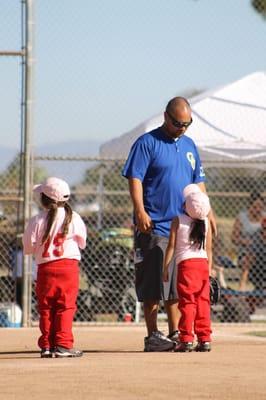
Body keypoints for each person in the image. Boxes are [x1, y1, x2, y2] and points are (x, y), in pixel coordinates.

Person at [122, 96, 216, 352]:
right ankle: (153, 335)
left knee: (178, 284)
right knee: (153, 281)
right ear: (165, 116)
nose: (182, 128)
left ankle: (176, 333)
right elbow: (135, 178)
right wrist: (140, 210)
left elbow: (198, 182)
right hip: (155, 223)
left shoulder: (189, 145)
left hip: (185, 226)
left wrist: (209, 212)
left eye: (187, 123)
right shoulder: (147, 143)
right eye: (177, 123)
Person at [23, 177, 87, 358]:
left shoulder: (36, 220)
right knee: (65, 307)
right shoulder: (73, 217)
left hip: (45, 269)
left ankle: (47, 345)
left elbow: (28, 247)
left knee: (45, 308)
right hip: (68, 268)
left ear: (44, 199)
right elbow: (82, 243)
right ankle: (63, 344)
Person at [163, 184, 212, 352]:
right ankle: (204, 339)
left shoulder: (178, 220)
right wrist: (209, 270)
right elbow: (209, 250)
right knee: (203, 302)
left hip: (186, 266)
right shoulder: (206, 222)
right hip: (203, 265)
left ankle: (186, 339)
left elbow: (170, 247)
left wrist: (165, 267)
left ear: (186, 205)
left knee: (187, 303)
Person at [231, 192, 265, 268]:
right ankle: (244, 275)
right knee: (252, 250)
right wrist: (244, 241)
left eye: (260, 207)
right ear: (249, 206)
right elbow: (233, 238)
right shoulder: (242, 217)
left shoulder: (265, 217)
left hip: (263, 249)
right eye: (255, 207)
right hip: (245, 251)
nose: (258, 209)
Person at [239, 216, 266, 294]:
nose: (264, 232)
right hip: (257, 267)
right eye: (264, 229)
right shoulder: (257, 236)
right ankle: (243, 286)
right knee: (249, 258)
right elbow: (250, 255)